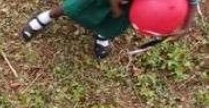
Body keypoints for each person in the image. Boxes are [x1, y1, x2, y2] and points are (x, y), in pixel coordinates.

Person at [20, 0, 199, 58]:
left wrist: (185, 27)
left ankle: (102, 36)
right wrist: (114, 5)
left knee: (113, 25)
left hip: (135, 7)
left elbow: (192, 3)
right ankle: (44, 17)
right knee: (75, 8)